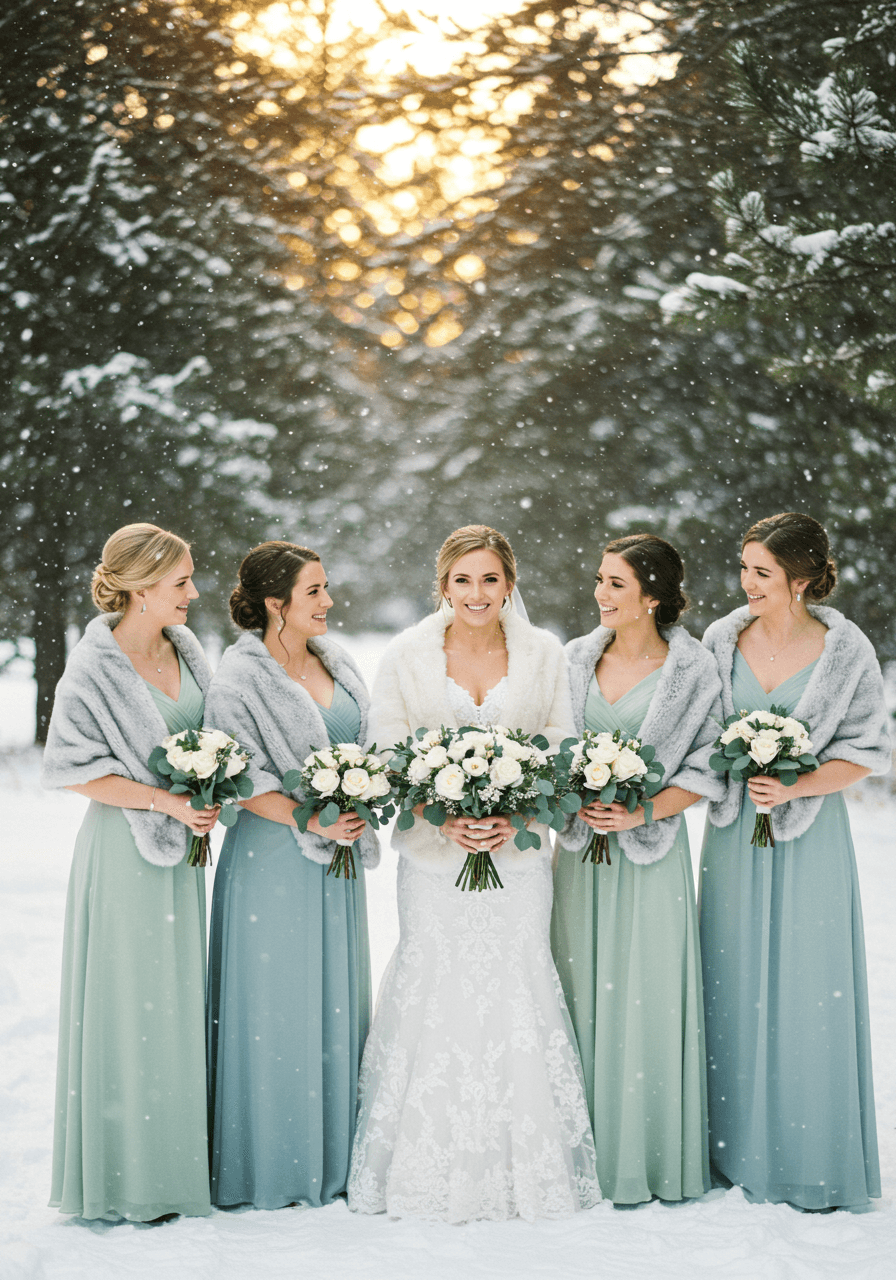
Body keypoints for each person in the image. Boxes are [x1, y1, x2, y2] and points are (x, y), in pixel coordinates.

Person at [347, 525, 600, 1223]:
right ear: (443, 585)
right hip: (433, 861)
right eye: (463, 580)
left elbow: (558, 748)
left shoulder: (545, 654)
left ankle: (524, 1165)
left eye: (489, 579)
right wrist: (440, 812)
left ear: (509, 583)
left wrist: (512, 814)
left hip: (517, 859)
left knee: (517, 982)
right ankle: (425, 1163)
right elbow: (389, 752)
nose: (477, 594)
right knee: (437, 980)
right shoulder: (406, 655)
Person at [700, 512, 891, 1211]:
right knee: (732, 975)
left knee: (811, 987)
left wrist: (796, 784)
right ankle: (730, 1149)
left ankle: (813, 1156)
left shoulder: (846, 651)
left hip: (812, 839)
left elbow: (867, 750)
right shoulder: (721, 641)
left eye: (762, 573)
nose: (746, 583)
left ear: (801, 580)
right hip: (733, 838)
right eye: (745, 567)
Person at [41, 523, 216, 1222]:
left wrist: (213, 788)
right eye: (180, 583)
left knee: (172, 1008)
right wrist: (163, 799)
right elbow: (71, 770)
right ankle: (124, 1180)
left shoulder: (188, 648)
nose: (194, 593)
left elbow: (215, 731)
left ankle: (174, 1167)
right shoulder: (93, 666)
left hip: (184, 859)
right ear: (141, 589)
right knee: (126, 1009)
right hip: (121, 854)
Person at [205, 541, 377, 1210]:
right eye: (314, 592)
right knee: (274, 1007)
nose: (328, 601)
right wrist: (311, 821)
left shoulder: (340, 662)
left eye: (326, 587)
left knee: (334, 1000)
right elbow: (239, 779)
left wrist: (364, 793)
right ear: (275, 604)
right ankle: (270, 1162)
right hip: (271, 860)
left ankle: (332, 1156)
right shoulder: (239, 678)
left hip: (338, 862)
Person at [551, 534, 722, 1204]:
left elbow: (708, 769)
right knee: (579, 988)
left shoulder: (695, 670)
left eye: (616, 584)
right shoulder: (571, 661)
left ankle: (646, 1156)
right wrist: (575, 796)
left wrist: (641, 810)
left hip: (652, 859)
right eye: (599, 579)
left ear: (654, 594)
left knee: (647, 996)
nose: (600, 594)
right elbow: (544, 746)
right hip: (579, 858)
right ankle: (579, 1150)